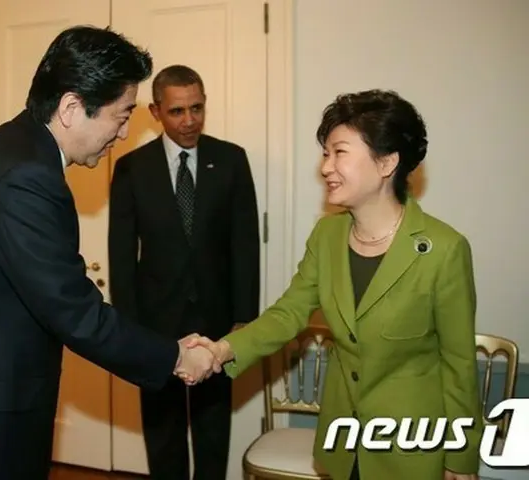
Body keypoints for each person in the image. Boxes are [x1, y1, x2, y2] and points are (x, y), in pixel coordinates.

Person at [0, 26, 216, 480]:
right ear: (71, 108)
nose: (124, 134)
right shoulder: (25, 177)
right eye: (121, 115)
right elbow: (75, 312)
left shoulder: (17, 151)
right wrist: (175, 357)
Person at [186, 89, 484, 480]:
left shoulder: (443, 250)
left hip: (411, 448)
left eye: (339, 152)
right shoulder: (326, 237)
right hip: (343, 443)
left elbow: (459, 364)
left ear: (387, 163)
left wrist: (460, 459)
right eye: (325, 153)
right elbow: (287, 313)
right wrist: (221, 350)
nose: (326, 167)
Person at [108, 64, 260, 480]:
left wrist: (243, 322)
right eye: (177, 111)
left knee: (213, 435)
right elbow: (121, 255)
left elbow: (245, 246)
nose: (189, 120)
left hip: (217, 326)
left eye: (197, 108)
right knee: (163, 435)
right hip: (156, 328)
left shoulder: (231, 160)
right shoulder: (131, 169)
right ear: (156, 112)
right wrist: (129, 328)